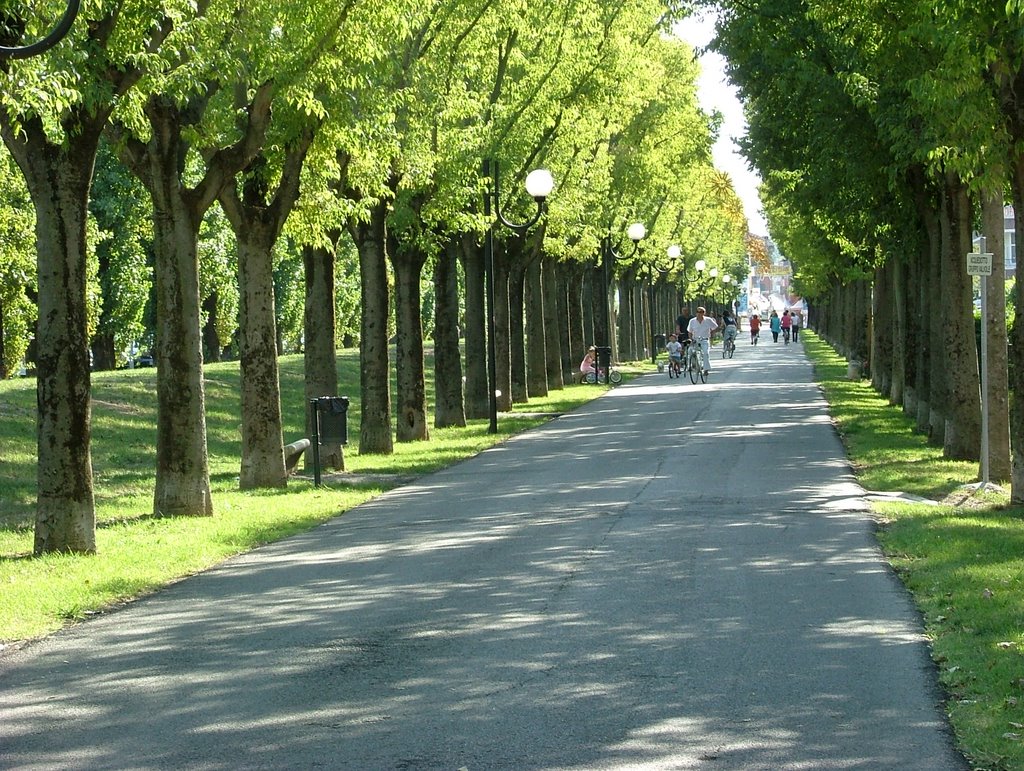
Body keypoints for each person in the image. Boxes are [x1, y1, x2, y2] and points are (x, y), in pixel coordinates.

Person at [686, 306, 718, 374]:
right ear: (696, 313)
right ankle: (692, 365)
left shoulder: (708, 320)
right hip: (695, 339)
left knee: (705, 353)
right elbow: (690, 331)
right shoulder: (692, 321)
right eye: (698, 312)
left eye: (702, 312)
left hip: (704, 340)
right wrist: (690, 339)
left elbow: (715, 327)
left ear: (704, 313)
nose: (700, 313)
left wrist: (712, 335)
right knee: (690, 351)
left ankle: (706, 369)